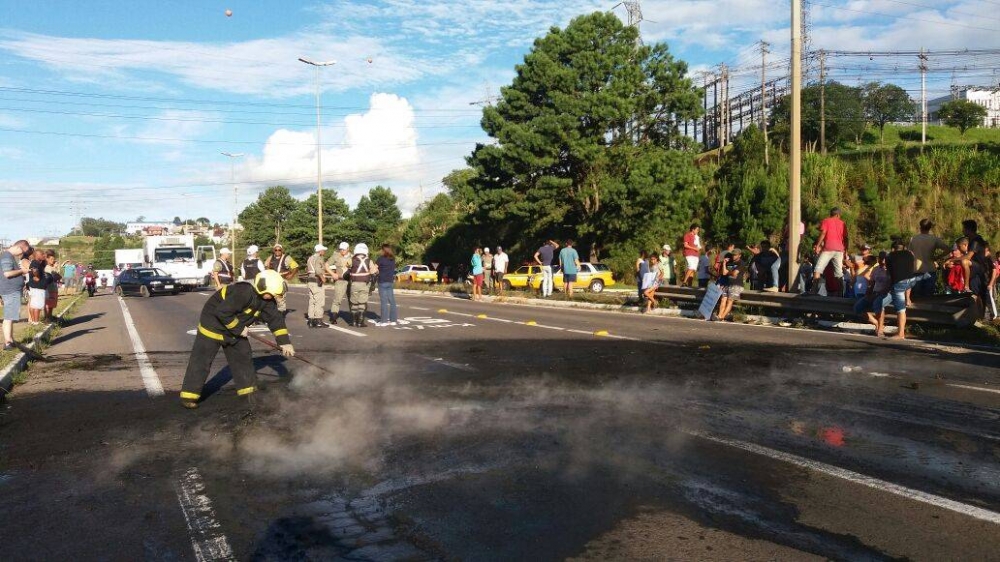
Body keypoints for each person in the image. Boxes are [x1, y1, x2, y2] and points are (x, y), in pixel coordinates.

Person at [179, 270, 294, 409]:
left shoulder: (268, 302)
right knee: (201, 360)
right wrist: (239, 328)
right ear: (265, 289)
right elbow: (222, 312)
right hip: (213, 324)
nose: (278, 297)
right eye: (276, 294)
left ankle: (249, 395)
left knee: (243, 357)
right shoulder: (243, 292)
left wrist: (285, 343)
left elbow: (276, 321)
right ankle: (189, 396)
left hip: (235, 328)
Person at [886, 240, 931, 341]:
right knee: (910, 279)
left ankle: (901, 333)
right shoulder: (910, 254)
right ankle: (908, 299)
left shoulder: (889, 256)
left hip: (899, 284)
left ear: (893, 248)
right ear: (904, 248)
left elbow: (890, 275)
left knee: (901, 310)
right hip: (910, 281)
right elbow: (909, 270)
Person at [809, 207, 849, 295]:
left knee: (817, 270)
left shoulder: (826, 221)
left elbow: (823, 233)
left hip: (828, 248)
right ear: (838, 215)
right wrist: (846, 251)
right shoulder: (843, 223)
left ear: (831, 214)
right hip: (839, 250)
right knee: (839, 273)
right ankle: (840, 294)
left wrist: (818, 245)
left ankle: (814, 291)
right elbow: (846, 238)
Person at [908, 219, 950, 297]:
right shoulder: (934, 239)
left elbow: (909, 254)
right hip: (930, 270)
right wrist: (937, 257)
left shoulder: (913, 239)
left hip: (917, 270)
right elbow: (947, 249)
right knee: (929, 297)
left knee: (917, 297)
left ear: (920, 227)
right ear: (930, 228)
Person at [853, 253, 892, 337]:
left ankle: (880, 330)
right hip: (875, 292)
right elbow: (872, 283)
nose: (882, 261)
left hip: (887, 294)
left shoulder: (891, 270)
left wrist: (880, 293)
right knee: (858, 307)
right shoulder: (876, 269)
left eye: (884, 259)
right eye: (881, 259)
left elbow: (890, 285)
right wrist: (868, 293)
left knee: (878, 303)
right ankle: (876, 323)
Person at [1, 241, 31, 350]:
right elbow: (7, 273)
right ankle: (8, 342)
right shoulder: (7, 256)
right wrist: (22, 271)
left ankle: (10, 340)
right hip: (10, 290)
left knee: (11, 315)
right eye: (23, 251)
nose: (21, 254)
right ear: (19, 247)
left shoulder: (8, 256)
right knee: (9, 316)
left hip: (11, 290)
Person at [347, 243, 377, 327]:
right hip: (364, 284)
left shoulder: (351, 259)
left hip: (354, 284)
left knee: (354, 303)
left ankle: (353, 321)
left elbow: (347, 267)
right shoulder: (369, 260)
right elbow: (373, 272)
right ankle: (360, 322)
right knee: (362, 303)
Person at [265, 244, 299, 316]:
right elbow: (266, 267)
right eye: (276, 250)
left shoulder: (287, 258)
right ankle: (272, 314)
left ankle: (281, 315)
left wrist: (291, 275)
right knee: (271, 298)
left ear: (282, 250)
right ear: (273, 251)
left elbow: (295, 267)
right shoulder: (270, 258)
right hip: (272, 280)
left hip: (282, 280)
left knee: (281, 297)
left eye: (279, 250)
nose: (277, 251)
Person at [716, 249, 747, 322]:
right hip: (727, 283)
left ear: (739, 255)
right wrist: (724, 263)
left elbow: (734, 274)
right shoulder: (729, 262)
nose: (733, 256)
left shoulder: (741, 263)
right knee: (723, 299)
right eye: (733, 254)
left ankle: (722, 317)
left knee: (730, 300)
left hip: (736, 284)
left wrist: (728, 272)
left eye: (735, 255)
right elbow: (723, 273)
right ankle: (720, 316)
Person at [960, 219, 989, 295]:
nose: (962, 231)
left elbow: (968, 257)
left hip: (981, 270)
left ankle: (966, 287)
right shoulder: (971, 240)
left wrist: (953, 259)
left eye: (964, 229)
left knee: (964, 261)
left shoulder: (976, 240)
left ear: (969, 230)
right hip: (975, 270)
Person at [305, 244, 332, 328]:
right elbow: (317, 270)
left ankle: (311, 320)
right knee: (319, 302)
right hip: (317, 281)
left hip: (310, 281)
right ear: (320, 251)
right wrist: (322, 277)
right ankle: (318, 320)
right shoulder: (319, 258)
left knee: (312, 301)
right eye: (323, 250)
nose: (324, 251)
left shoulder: (310, 258)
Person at [375, 244, 400, 327]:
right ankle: (393, 320)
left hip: (382, 281)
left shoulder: (380, 259)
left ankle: (384, 321)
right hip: (390, 282)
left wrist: (377, 272)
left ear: (383, 250)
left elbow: (375, 269)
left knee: (384, 302)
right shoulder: (393, 259)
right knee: (392, 301)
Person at [27, 249, 47, 325]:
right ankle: (36, 322)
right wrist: (36, 275)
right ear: (37, 255)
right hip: (38, 288)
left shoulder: (36, 262)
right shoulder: (35, 262)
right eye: (42, 254)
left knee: (33, 305)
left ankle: (33, 321)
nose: (44, 255)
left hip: (34, 287)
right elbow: (34, 270)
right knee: (37, 306)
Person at [44, 251, 61, 321]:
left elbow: (58, 276)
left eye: (53, 259)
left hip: (53, 287)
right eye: (51, 259)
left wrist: (56, 268)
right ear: (47, 259)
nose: (53, 261)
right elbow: (56, 276)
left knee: (52, 304)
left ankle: (50, 316)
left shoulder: (52, 267)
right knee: (48, 304)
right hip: (49, 288)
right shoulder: (47, 267)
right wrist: (55, 269)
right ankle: (47, 317)